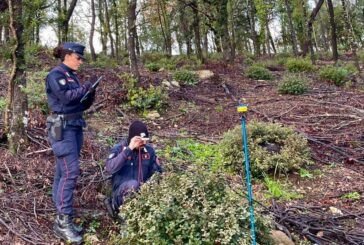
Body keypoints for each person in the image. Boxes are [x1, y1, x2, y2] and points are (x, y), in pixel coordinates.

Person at [45, 42, 98, 243]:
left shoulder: (72, 76)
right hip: (62, 127)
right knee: (70, 172)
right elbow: (66, 98)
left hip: (75, 125)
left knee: (62, 171)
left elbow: (80, 102)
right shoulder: (56, 75)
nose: (80, 61)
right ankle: (62, 222)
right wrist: (85, 87)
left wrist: (90, 93)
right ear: (67, 55)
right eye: (78, 57)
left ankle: (61, 216)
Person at [104, 120, 162, 218]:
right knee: (133, 185)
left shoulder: (149, 151)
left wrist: (151, 182)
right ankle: (119, 211)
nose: (143, 142)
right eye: (140, 140)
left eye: (145, 139)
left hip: (142, 194)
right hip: (121, 194)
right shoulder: (119, 149)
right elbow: (110, 168)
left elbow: (157, 173)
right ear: (132, 139)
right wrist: (129, 149)